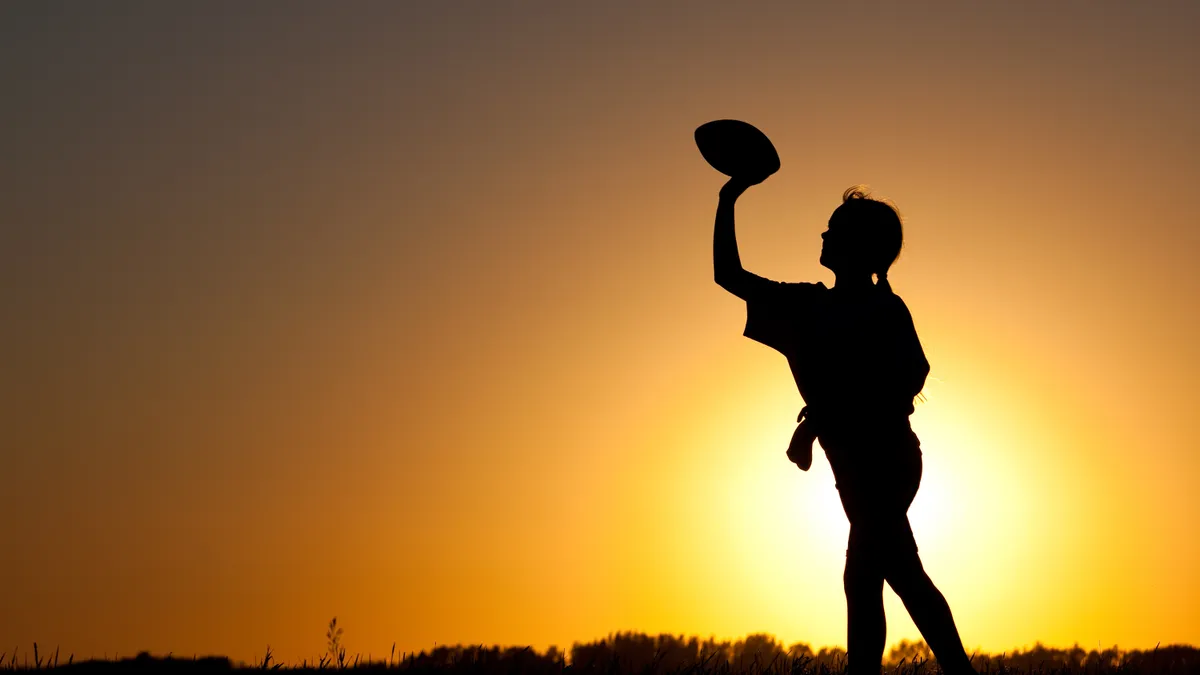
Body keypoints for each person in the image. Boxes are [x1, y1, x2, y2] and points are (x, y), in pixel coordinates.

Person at [713, 177, 976, 675]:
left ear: (859, 247)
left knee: (886, 573)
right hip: (853, 467)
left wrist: (818, 420)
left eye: (833, 230)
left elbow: (906, 382)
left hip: (887, 462)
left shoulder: (884, 309)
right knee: (880, 575)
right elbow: (727, 274)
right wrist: (728, 199)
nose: (823, 236)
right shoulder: (808, 306)